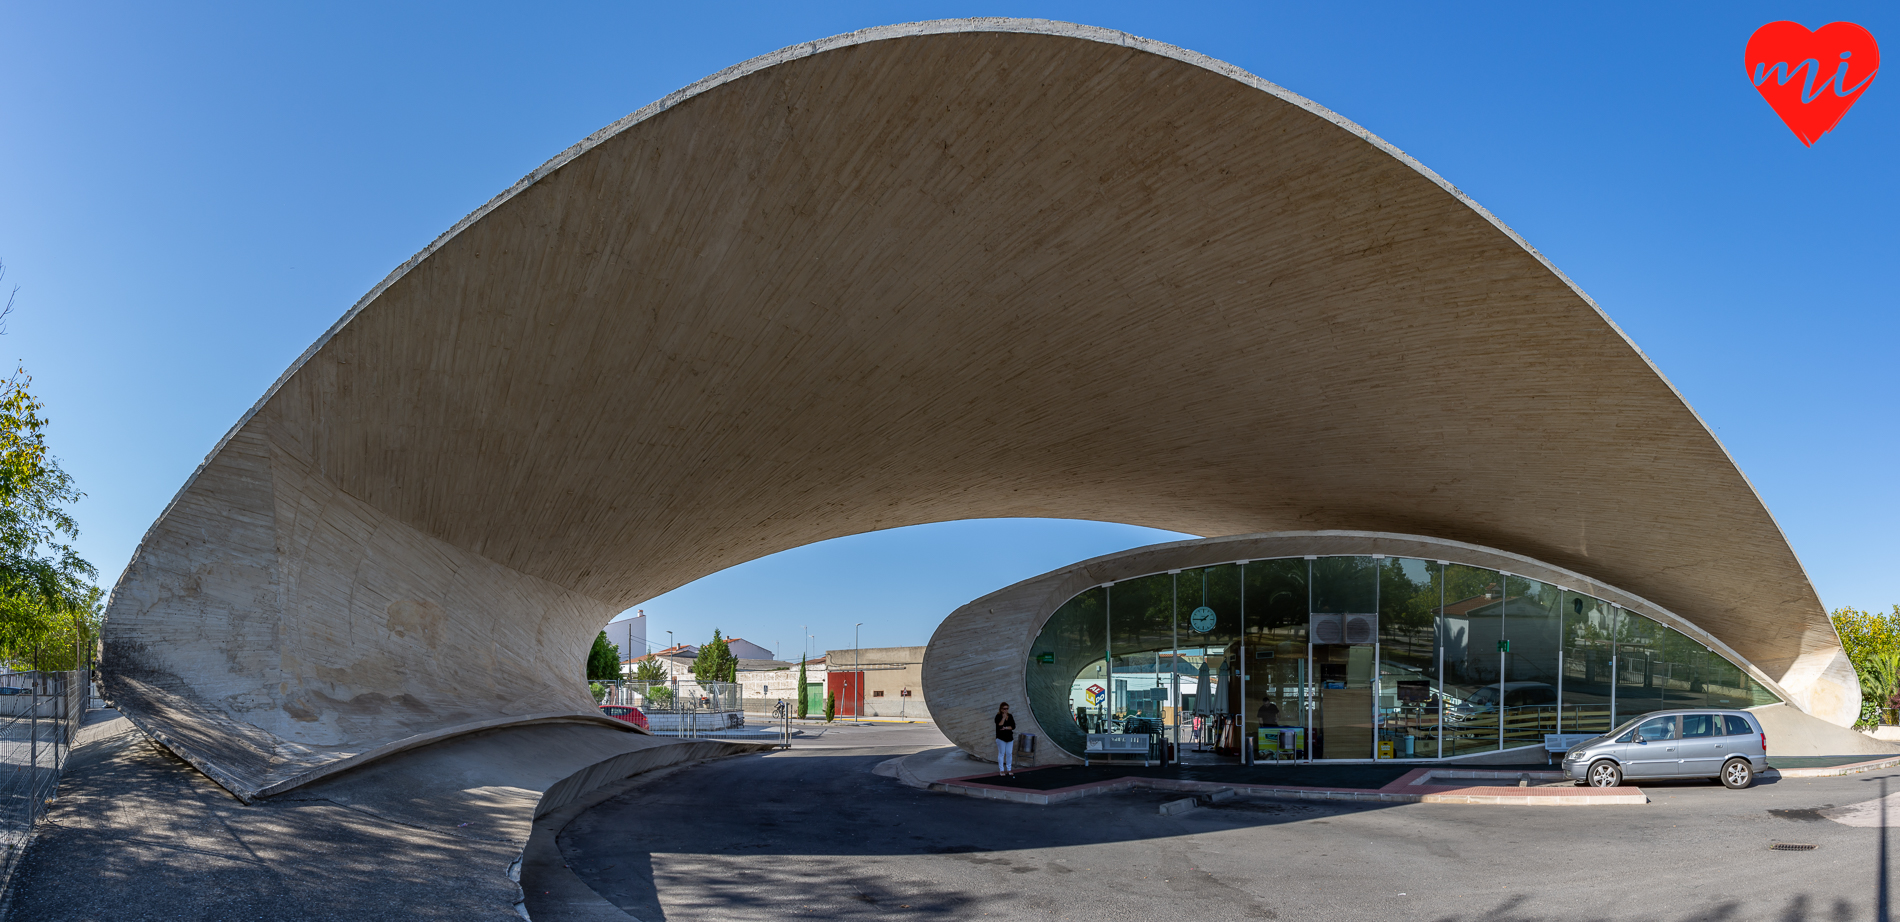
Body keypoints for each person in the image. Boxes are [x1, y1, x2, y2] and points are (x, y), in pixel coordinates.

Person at [994, 702, 1017, 776]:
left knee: (1009, 753)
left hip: (1009, 738)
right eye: (1004, 709)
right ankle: (1001, 770)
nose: (1005, 710)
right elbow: (999, 725)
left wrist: (1006, 728)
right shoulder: (998, 716)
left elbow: (1013, 726)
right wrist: (1003, 718)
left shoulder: (1010, 716)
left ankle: (1009, 769)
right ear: (1001, 709)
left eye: (1007, 709)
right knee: (1001, 753)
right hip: (1001, 738)